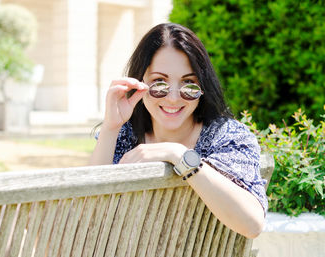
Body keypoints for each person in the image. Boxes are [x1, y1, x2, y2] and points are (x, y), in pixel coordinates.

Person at [89, 23, 267, 239]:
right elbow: (90, 216)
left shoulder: (225, 137)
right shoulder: (124, 135)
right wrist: (111, 127)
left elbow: (252, 225)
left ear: (203, 87)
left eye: (189, 84)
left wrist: (179, 156)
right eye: (159, 83)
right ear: (139, 83)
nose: (173, 97)